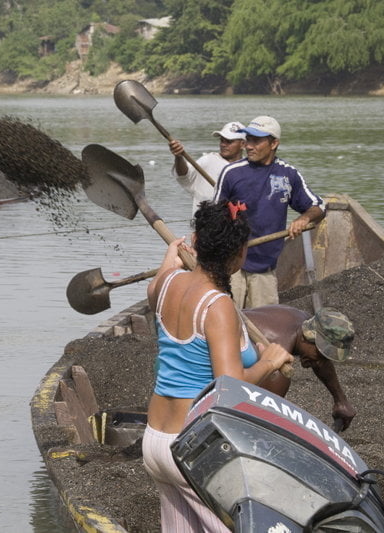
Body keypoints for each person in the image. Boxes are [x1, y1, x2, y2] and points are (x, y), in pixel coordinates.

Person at [142, 200, 294, 532]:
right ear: (240, 254)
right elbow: (230, 387)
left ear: (195, 241)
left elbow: (159, 279)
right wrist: (268, 362)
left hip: (155, 441)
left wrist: (171, 251)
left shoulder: (166, 284)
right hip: (191, 448)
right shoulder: (217, 305)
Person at [213, 115, 325, 308]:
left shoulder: (288, 174)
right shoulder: (231, 173)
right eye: (248, 140)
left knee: (264, 327)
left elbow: (319, 206)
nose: (249, 146)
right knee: (227, 321)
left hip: (265, 267)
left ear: (274, 143)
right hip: (231, 265)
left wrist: (303, 219)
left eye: (256, 141)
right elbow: (212, 218)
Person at [244, 305, 357, 431]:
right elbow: (257, 422)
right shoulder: (277, 371)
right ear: (307, 337)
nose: (320, 362)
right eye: (321, 355)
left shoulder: (305, 321)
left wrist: (341, 400)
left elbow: (320, 363)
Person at [169, 121, 246, 214]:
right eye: (222, 140)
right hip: (204, 225)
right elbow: (184, 175)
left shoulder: (248, 168)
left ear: (243, 144)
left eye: (229, 141)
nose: (223, 144)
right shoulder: (208, 160)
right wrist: (179, 157)